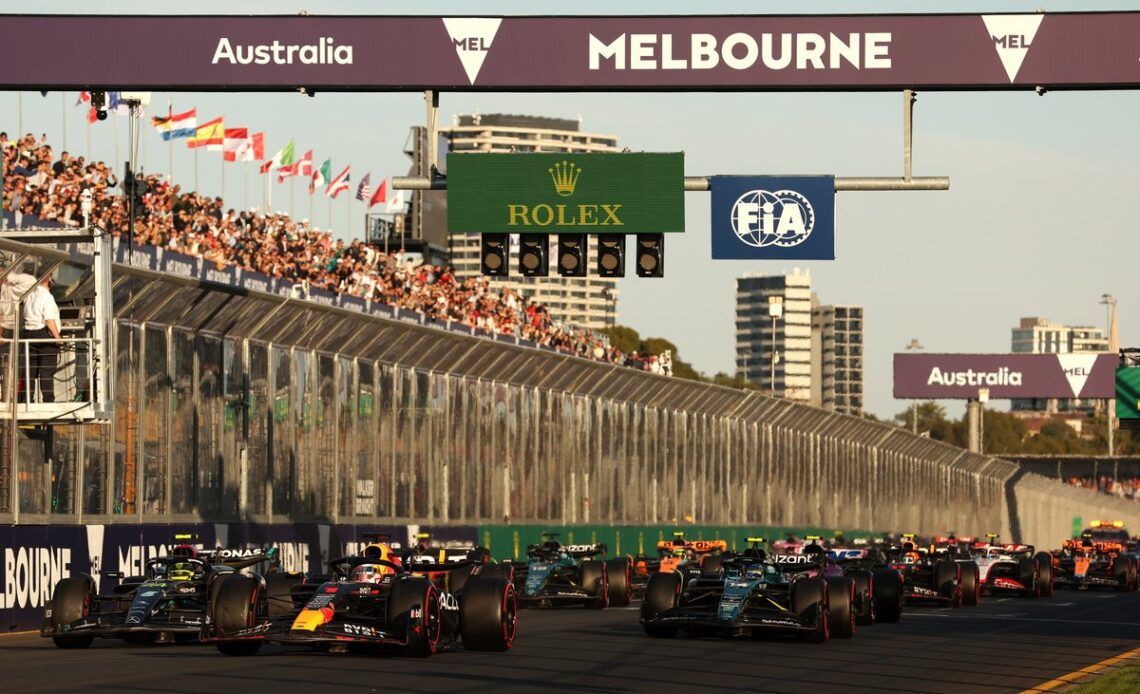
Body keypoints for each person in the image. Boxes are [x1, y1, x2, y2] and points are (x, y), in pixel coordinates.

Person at [23, 274, 62, 402]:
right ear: (49, 280)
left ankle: (27, 399)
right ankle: (48, 401)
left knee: (30, 371)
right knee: (46, 371)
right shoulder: (47, 297)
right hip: (44, 335)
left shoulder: (29, 295)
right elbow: (49, 320)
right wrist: (58, 338)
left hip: (29, 334)